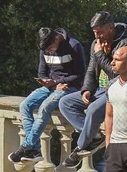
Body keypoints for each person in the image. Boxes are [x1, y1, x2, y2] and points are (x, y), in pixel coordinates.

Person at [58, 11, 127, 168]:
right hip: (101, 89)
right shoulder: (97, 45)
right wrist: (87, 89)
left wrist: (100, 54)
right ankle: (94, 137)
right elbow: (91, 70)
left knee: (93, 110)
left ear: (110, 28)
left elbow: (117, 72)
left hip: (119, 89)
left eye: (100, 32)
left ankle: (80, 147)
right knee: (65, 102)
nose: (97, 36)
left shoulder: (126, 44)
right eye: (95, 33)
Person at [8, 27, 86, 163]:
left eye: (50, 48)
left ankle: (26, 147)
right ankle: (34, 149)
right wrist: (44, 80)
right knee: (25, 105)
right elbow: (42, 72)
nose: (48, 51)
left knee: (45, 106)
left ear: (57, 39)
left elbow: (80, 75)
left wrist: (59, 82)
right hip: (51, 86)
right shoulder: (44, 47)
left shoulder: (74, 46)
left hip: (70, 87)